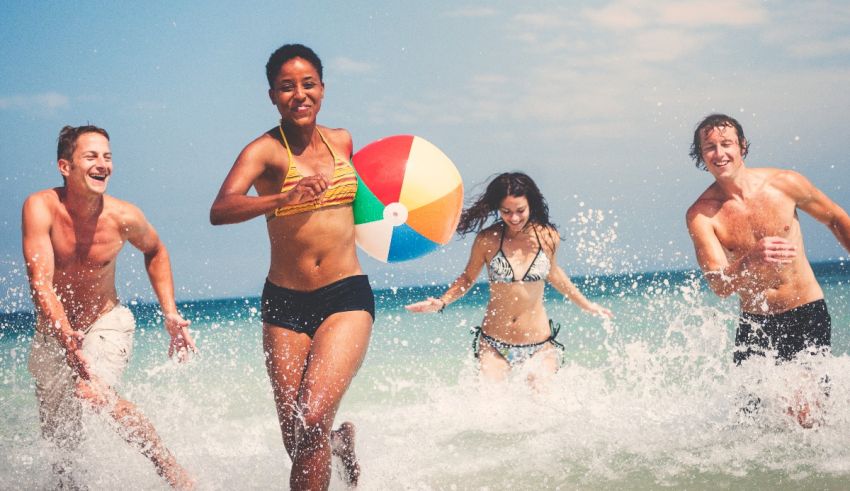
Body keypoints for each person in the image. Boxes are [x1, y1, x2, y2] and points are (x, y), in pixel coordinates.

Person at [209, 43, 370, 490]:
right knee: (297, 436)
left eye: (307, 84)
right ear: (272, 96)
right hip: (284, 302)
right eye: (286, 87)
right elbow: (220, 210)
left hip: (346, 294)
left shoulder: (342, 141)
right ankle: (338, 444)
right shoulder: (263, 151)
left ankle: (328, 436)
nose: (298, 94)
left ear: (322, 88)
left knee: (313, 417)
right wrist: (282, 198)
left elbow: (366, 205)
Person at [22, 125, 197, 488]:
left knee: (94, 392)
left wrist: (169, 312)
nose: (102, 164)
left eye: (107, 156)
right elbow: (40, 282)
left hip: (106, 321)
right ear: (65, 166)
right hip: (53, 332)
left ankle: (172, 473)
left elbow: (156, 250)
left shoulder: (123, 217)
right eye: (91, 156)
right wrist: (63, 332)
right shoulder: (41, 208)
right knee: (61, 442)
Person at [685, 113, 850, 427]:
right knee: (750, 425)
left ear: (742, 146)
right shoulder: (701, 215)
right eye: (709, 147)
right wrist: (749, 260)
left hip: (805, 313)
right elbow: (718, 285)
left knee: (805, 415)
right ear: (701, 156)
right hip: (755, 325)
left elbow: (836, 218)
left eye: (726, 144)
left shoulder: (784, 183)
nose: (719, 153)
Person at [406, 172, 612, 384]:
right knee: (490, 407)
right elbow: (468, 277)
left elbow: (554, 273)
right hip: (495, 344)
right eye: (506, 212)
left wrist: (586, 305)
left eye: (520, 210)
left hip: (539, 344)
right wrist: (442, 302)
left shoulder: (547, 237)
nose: (514, 218)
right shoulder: (488, 240)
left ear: (531, 204)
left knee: (545, 405)